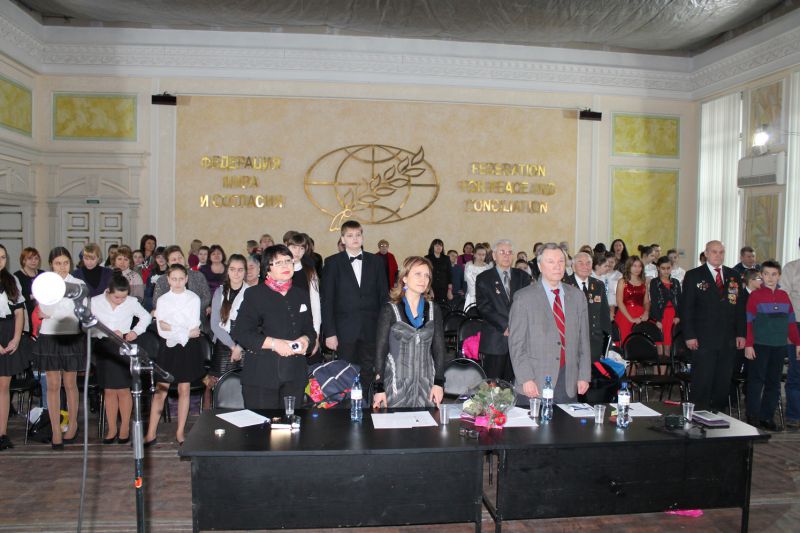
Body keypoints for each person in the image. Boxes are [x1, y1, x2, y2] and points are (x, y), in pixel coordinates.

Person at [232, 245, 315, 409]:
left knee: (291, 422)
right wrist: (275, 344)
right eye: (278, 263)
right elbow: (241, 333)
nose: (285, 266)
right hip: (263, 374)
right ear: (267, 270)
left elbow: (309, 330)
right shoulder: (254, 294)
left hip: (294, 374)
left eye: (288, 261)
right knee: (262, 424)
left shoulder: (300, 294)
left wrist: (306, 340)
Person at [509, 243, 591, 403]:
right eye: (551, 261)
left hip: (568, 380)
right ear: (540, 266)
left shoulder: (577, 297)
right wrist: (525, 378)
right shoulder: (523, 298)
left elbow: (584, 341)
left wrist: (584, 375)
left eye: (561, 261)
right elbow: (516, 344)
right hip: (535, 381)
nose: (557, 266)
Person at [680, 240, 746, 411]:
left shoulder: (733, 275)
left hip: (728, 338)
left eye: (721, 252)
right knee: (703, 380)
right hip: (703, 338)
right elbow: (686, 308)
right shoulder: (694, 275)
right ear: (706, 253)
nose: (718, 255)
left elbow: (739, 307)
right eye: (714, 252)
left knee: (723, 382)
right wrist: (689, 335)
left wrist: (741, 333)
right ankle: (698, 415)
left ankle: (718, 416)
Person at [321, 221, 387, 392]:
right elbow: (327, 300)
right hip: (344, 330)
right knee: (345, 371)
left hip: (371, 327)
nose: (355, 238)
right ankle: (346, 407)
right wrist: (330, 333)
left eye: (358, 235)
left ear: (362, 237)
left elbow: (383, 297)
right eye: (350, 235)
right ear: (343, 239)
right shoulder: (332, 262)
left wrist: (384, 328)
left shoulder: (376, 262)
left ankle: (367, 404)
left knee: (368, 370)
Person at [372, 256, 446, 408]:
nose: (423, 279)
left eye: (427, 276)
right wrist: (379, 387)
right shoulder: (390, 309)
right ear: (404, 278)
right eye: (418, 274)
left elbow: (439, 348)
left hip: (427, 386)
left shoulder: (434, 309)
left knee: (428, 422)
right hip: (396, 386)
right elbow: (380, 350)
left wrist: (439, 383)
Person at [146, 264, 206, 446]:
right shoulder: (163, 300)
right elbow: (162, 329)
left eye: (181, 279)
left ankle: (180, 432)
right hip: (168, 347)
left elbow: (194, 326)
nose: (178, 282)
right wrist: (183, 331)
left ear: (186, 279)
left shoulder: (193, 298)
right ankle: (150, 433)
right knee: (161, 390)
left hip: (188, 348)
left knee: (184, 389)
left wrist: (172, 327)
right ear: (168, 280)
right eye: (174, 279)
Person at [90, 273, 151, 444]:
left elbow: (146, 317)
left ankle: (124, 428)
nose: (120, 300)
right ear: (108, 291)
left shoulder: (131, 302)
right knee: (109, 390)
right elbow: (87, 326)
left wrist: (134, 332)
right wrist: (106, 332)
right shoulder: (95, 302)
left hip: (123, 346)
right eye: (117, 297)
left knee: (123, 389)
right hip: (103, 346)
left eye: (124, 297)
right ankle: (111, 429)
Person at [34, 247, 85, 449]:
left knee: (70, 383)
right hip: (50, 336)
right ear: (51, 265)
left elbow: (77, 313)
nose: (62, 267)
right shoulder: (45, 284)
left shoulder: (78, 284)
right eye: (57, 263)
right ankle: (56, 429)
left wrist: (55, 312)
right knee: (53, 384)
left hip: (71, 336)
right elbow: (43, 310)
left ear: (70, 264)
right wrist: (57, 311)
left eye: (65, 263)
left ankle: (72, 425)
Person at [744, 260, 800, 431]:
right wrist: (749, 344)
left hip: (779, 346)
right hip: (760, 345)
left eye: (774, 274)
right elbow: (749, 323)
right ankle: (752, 416)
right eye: (766, 274)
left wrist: (798, 343)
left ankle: (766, 417)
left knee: (773, 383)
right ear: (761, 275)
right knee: (756, 381)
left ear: (779, 276)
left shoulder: (784, 296)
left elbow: (791, 323)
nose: (770, 278)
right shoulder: (755, 296)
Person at [476, 239, 531, 381]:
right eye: (502, 252)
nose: (506, 255)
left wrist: (516, 326)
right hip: (495, 339)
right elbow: (484, 306)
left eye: (509, 252)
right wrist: (505, 325)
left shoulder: (523, 277)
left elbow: (528, 305)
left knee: (516, 384)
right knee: (492, 385)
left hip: (519, 340)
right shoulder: (484, 278)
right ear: (494, 256)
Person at [208, 254, 250, 405]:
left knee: (245, 389)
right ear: (227, 271)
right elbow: (214, 324)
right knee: (222, 392)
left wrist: (239, 347)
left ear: (245, 272)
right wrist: (233, 346)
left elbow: (253, 325)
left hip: (245, 343)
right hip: (224, 343)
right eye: (232, 269)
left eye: (240, 270)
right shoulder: (219, 292)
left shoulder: (251, 292)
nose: (236, 273)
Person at [0, 244, 26, 450]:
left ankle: (2, 434)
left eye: (2, 257)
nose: (0, 261)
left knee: (3, 387)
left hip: (8, 333)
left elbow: (19, 311)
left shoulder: (12, 280)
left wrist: (16, 338)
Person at [152, 245, 212, 333]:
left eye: (180, 258)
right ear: (168, 263)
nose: (178, 261)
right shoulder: (162, 281)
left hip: (197, 318)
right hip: (171, 322)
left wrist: (192, 309)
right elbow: (156, 303)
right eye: (174, 259)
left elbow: (207, 296)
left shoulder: (198, 275)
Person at [564, 251, 611, 361]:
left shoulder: (599, 285)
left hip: (594, 340)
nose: (585, 266)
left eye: (588, 263)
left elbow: (604, 314)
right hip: (572, 340)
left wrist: (607, 341)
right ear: (573, 267)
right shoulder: (564, 285)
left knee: (593, 370)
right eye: (580, 263)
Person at [287, 234, 321, 356]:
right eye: (294, 247)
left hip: (305, 326)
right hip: (283, 326)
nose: (297, 252)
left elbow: (315, 305)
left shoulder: (309, 271)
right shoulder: (279, 269)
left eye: (301, 248)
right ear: (287, 247)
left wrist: (316, 334)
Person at [780, 240, 800, 429]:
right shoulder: (792, 268)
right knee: (796, 371)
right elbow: (783, 297)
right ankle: (794, 415)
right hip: (796, 325)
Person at [649, 256, 681, 357]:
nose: (666, 271)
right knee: (659, 346)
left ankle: (667, 367)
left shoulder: (676, 282)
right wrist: (658, 320)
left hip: (672, 316)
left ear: (671, 267)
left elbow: (680, 301)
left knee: (669, 345)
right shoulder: (655, 282)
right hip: (660, 315)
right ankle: (660, 367)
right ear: (658, 268)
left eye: (668, 268)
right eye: (663, 268)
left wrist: (678, 315)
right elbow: (654, 302)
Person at [615, 256, 650, 345]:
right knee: (625, 343)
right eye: (634, 266)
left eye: (639, 266)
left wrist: (646, 312)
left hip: (640, 316)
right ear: (629, 266)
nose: (637, 269)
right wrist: (631, 319)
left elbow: (646, 302)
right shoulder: (622, 281)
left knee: (639, 344)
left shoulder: (644, 282)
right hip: (625, 315)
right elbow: (619, 302)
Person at [14, 247, 44, 331]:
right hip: (26, 312)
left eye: (36, 258)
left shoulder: (43, 274)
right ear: (23, 260)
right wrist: (33, 296)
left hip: (43, 310)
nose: (33, 261)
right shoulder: (17, 276)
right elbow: (16, 297)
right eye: (30, 258)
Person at [463, 244, 491, 311]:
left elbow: (489, 283)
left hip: (485, 296)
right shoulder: (469, 265)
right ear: (474, 254)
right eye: (479, 254)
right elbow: (468, 281)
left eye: (483, 255)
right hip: (472, 296)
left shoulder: (487, 267)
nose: (481, 257)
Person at [425, 238, 453, 304]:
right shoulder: (427, 258)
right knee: (432, 306)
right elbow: (426, 275)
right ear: (432, 247)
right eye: (436, 245)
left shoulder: (446, 258)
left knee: (444, 306)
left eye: (440, 245)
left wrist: (449, 290)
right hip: (431, 287)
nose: (439, 247)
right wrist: (430, 289)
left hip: (444, 288)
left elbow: (449, 274)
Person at [143, 247, 167, 311]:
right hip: (151, 301)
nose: (161, 259)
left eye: (163, 257)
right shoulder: (152, 272)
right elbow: (148, 288)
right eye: (158, 257)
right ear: (155, 258)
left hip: (165, 302)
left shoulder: (170, 272)